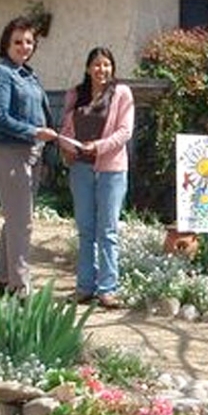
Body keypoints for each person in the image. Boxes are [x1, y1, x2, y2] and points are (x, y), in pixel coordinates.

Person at [0, 16, 58, 298]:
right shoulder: (2, 74)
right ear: (6, 43)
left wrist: (43, 139)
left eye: (29, 42)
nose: (24, 46)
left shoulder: (28, 74)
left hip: (32, 153)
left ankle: (2, 277)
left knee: (15, 218)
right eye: (18, 41)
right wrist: (34, 132)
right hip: (9, 151)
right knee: (22, 222)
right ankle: (20, 285)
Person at [59, 46, 135, 309]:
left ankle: (108, 289)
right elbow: (66, 128)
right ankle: (84, 287)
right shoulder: (75, 95)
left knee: (108, 230)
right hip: (80, 169)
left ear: (112, 68)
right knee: (85, 230)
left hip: (111, 170)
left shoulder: (122, 93)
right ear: (87, 68)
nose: (101, 69)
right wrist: (67, 148)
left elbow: (125, 132)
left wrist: (99, 147)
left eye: (106, 65)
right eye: (96, 65)